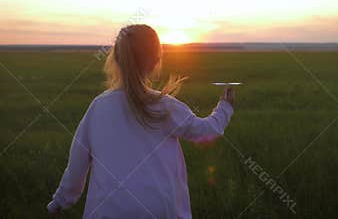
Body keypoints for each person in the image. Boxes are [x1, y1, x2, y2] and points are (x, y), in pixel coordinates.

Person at [47, 24, 234, 219]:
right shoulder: (164, 106)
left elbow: (76, 168)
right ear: (155, 61)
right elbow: (206, 131)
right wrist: (225, 107)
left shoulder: (98, 108)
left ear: (117, 59)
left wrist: (58, 204)